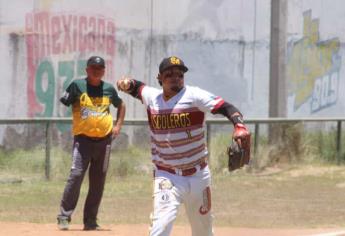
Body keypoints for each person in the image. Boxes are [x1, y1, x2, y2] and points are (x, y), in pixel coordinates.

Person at [116, 56, 250, 236]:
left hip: (198, 175)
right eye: (169, 74)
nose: (175, 77)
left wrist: (239, 126)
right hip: (167, 176)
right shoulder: (153, 98)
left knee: (204, 232)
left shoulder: (194, 96)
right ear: (160, 78)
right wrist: (126, 83)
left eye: (180, 74)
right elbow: (138, 88)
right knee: (160, 228)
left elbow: (227, 107)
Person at [57, 56, 126, 230]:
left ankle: (90, 221)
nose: (96, 71)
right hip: (83, 141)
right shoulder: (77, 85)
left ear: (104, 71)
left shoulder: (109, 89)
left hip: (105, 142)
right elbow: (65, 101)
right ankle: (64, 217)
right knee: (76, 176)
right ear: (87, 70)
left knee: (98, 181)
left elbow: (121, 104)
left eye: (100, 68)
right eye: (93, 68)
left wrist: (117, 125)